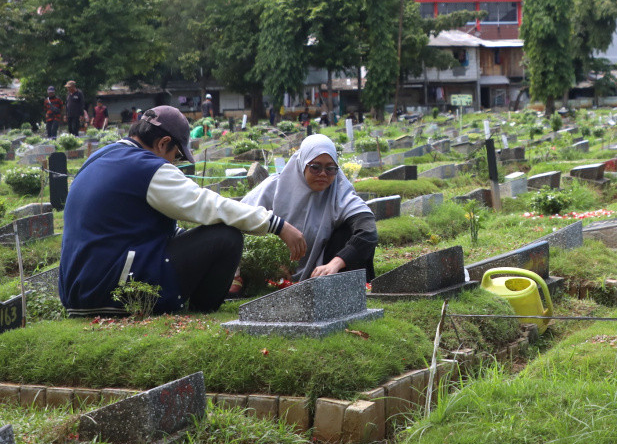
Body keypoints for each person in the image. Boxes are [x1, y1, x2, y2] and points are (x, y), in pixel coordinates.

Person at [58, 107, 306, 317]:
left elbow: (136, 225)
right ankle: (201, 312)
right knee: (225, 237)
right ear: (163, 143)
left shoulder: (101, 156)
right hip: (113, 291)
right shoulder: (148, 167)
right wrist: (275, 224)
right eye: (176, 156)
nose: (174, 163)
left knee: (193, 235)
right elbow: (209, 204)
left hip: (79, 290)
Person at [241, 134, 378, 285]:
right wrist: (273, 260)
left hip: (321, 272)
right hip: (270, 271)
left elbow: (368, 232)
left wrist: (335, 263)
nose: (323, 174)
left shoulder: (339, 192)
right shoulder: (274, 188)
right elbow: (240, 219)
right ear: (302, 164)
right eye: (315, 167)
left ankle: (347, 289)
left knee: (349, 232)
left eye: (330, 168)